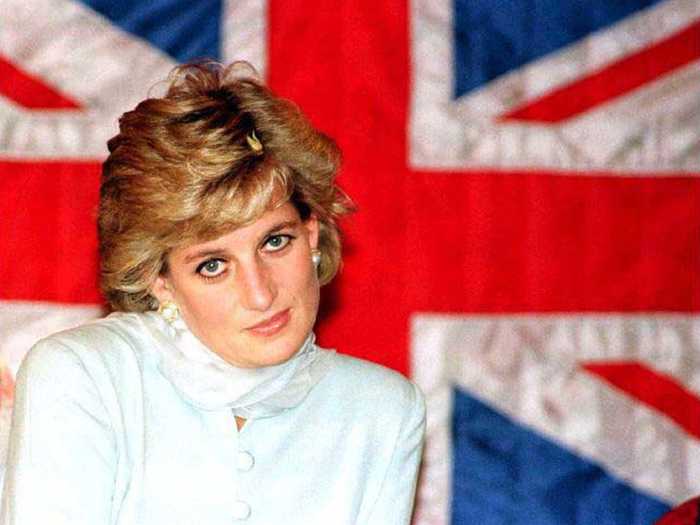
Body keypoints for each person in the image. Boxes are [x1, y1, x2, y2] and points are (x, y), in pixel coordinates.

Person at [0, 61, 425, 524]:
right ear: (158, 280)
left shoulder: (383, 410)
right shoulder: (86, 375)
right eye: (213, 265)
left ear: (312, 234)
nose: (260, 294)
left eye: (275, 241)